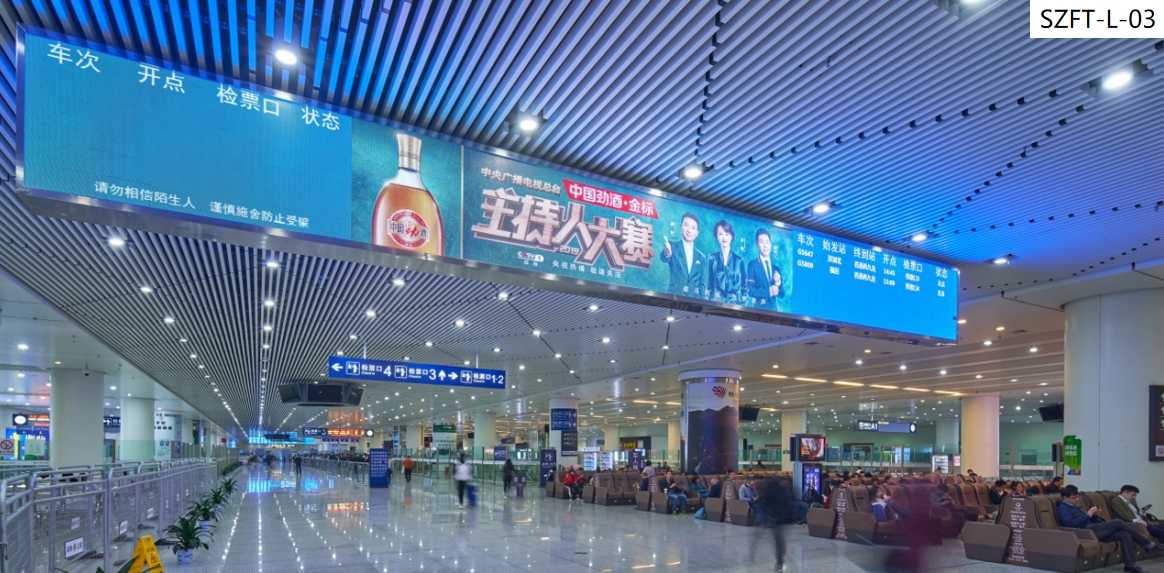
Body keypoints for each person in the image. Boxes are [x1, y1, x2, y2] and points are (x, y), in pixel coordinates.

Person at [1057, 485, 1158, 573]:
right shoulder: (1063, 508)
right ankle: (1146, 543)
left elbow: (1086, 519)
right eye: (1074, 498)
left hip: (1094, 529)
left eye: (1077, 497)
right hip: (1087, 532)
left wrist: (1094, 515)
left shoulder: (1074, 506)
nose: (1077, 499)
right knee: (1118, 522)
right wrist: (1087, 515)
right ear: (1065, 497)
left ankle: (1130, 566)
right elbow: (1070, 524)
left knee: (1124, 534)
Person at [661, 213, 706, 295]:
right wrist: (667, 253)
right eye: (686, 225)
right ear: (681, 227)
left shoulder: (701, 257)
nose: (689, 230)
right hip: (673, 297)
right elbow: (664, 258)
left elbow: (702, 284)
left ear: (697, 233)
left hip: (693, 300)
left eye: (693, 228)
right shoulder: (672, 246)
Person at [706, 220, 746, 302]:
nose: (724, 237)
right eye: (720, 234)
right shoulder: (712, 259)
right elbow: (708, 284)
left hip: (735, 305)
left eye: (727, 234)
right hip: (714, 303)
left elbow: (744, 287)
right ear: (716, 236)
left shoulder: (739, 261)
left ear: (731, 236)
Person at [746, 229, 784, 307]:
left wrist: (778, 285)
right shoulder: (752, 265)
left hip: (774, 310)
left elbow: (782, 294)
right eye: (761, 242)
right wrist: (768, 292)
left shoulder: (776, 268)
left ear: (770, 244)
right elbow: (750, 290)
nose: (765, 246)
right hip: (758, 310)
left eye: (767, 242)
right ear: (757, 245)